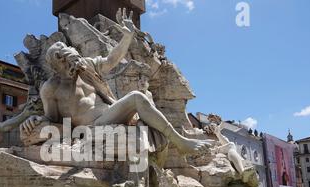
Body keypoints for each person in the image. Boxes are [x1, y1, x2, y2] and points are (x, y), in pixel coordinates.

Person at [20, 9, 213, 156]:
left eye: (72, 57)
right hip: (91, 128)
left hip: (112, 113)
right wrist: (33, 120)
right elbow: (52, 120)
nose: (73, 64)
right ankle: (180, 143)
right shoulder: (51, 89)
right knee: (137, 97)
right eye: (65, 59)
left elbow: (111, 60)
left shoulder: (85, 66)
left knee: (144, 95)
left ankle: (170, 144)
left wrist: (127, 37)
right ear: (56, 64)